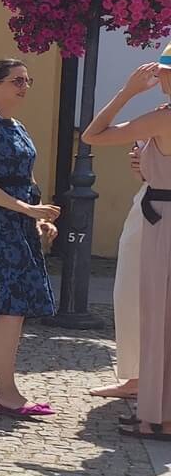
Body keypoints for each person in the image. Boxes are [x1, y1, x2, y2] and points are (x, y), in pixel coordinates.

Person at [0, 58, 60, 418]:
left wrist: (37, 218)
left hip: (16, 222)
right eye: (17, 80)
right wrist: (27, 210)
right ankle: (6, 392)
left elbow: (27, 178)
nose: (24, 87)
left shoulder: (16, 125)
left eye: (27, 81)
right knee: (9, 305)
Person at [80, 56, 171, 439]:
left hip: (163, 220)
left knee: (157, 315)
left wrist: (127, 92)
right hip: (161, 210)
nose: (158, 75)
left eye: (163, 71)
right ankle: (156, 410)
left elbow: (93, 135)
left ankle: (159, 417)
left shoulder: (162, 119)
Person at [95, 144, 147, 400]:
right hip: (153, 199)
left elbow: (94, 134)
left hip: (157, 206)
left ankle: (140, 379)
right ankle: (138, 377)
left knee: (132, 293)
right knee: (131, 294)